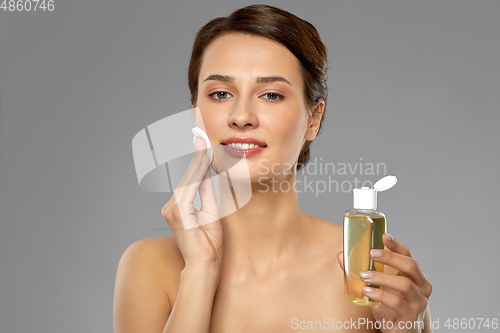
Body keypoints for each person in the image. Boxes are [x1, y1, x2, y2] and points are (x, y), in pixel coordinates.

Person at [113, 4, 433, 332]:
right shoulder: (149, 267)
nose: (241, 116)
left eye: (270, 95)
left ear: (313, 118)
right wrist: (200, 270)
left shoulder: (370, 273)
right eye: (220, 93)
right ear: (195, 112)